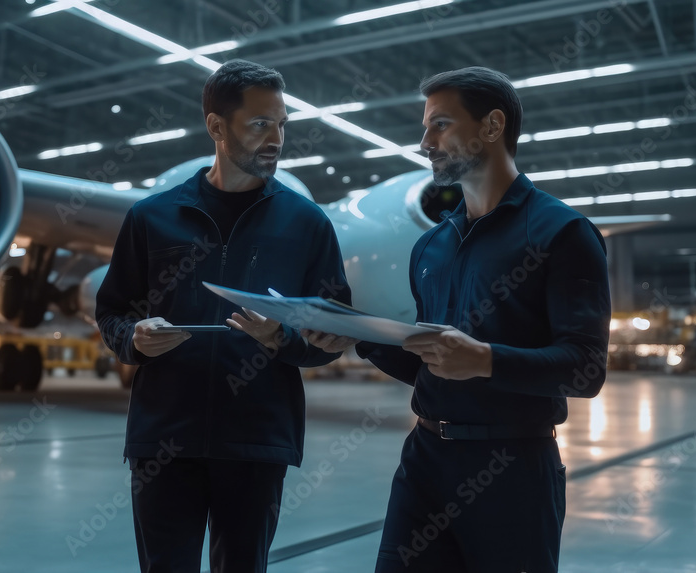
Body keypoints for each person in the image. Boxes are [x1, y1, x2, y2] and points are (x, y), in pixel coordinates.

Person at [305, 67, 611, 572]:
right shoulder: (432, 245)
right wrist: (356, 336)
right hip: (424, 459)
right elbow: (434, 364)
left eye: (440, 125)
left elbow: (585, 370)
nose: (425, 142)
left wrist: (485, 360)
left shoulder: (563, 234)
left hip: (513, 469)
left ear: (492, 127)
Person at [95, 59, 351, 573]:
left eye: (282, 123)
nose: (276, 137)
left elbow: (333, 332)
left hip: (257, 440)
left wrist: (281, 338)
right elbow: (113, 311)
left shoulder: (307, 224)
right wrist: (134, 340)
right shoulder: (153, 217)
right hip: (164, 439)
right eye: (260, 124)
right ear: (216, 126)